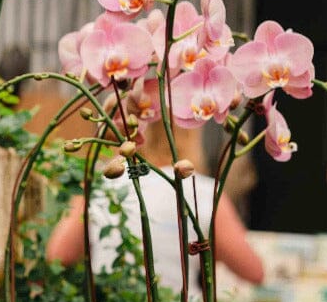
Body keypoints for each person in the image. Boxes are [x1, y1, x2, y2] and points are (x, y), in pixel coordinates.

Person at [46, 122, 265, 293]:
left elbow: (59, 255)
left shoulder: (100, 185)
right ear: (189, 133)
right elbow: (253, 271)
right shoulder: (202, 191)